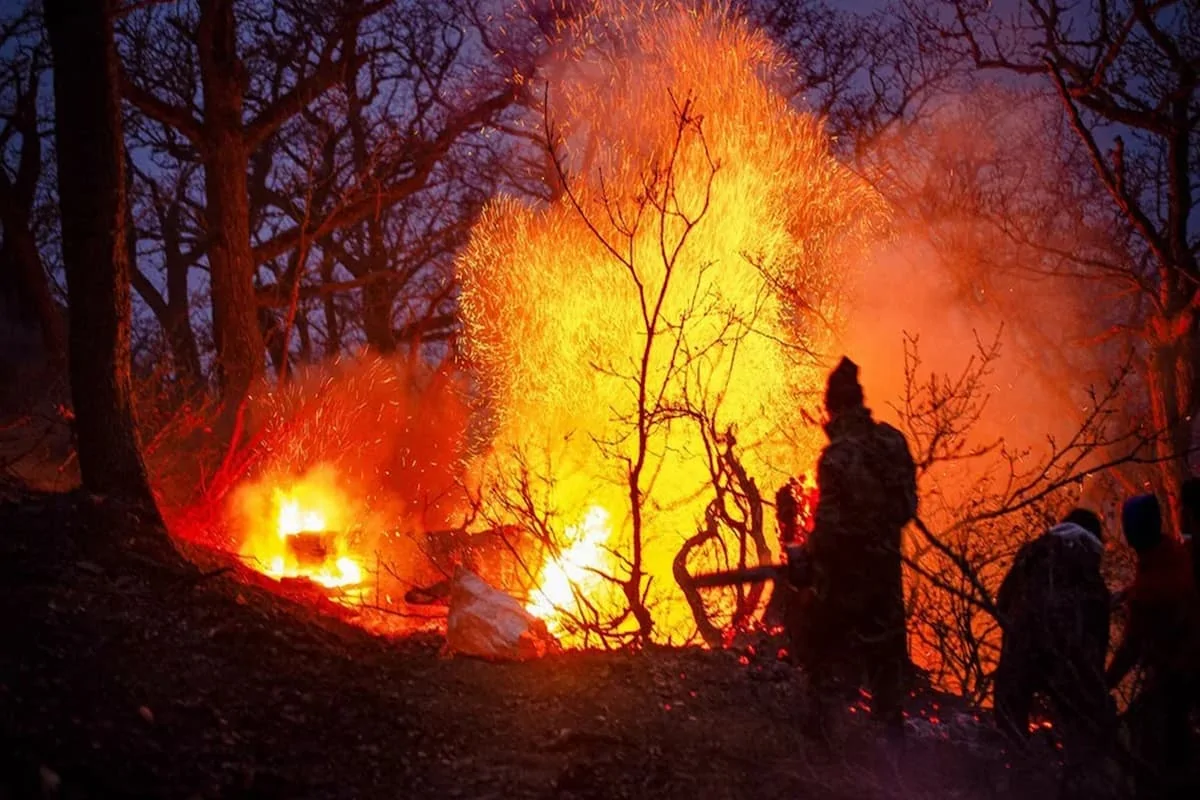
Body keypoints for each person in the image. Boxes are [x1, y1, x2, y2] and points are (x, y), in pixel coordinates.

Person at [804, 357, 917, 740]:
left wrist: (808, 554)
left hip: (845, 582)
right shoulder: (892, 442)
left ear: (833, 408)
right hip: (886, 578)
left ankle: (823, 748)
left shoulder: (837, 457)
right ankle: (892, 755)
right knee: (886, 669)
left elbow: (829, 529)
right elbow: (906, 508)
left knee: (825, 657)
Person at [993, 508, 1113, 799]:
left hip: (1020, 654)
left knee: (1010, 715)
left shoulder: (1031, 555)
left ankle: (1013, 778)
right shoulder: (1089, 574)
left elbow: (1002, 601)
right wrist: (1096, 685)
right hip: (1066, 660)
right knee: (1086, 729)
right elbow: (1097, 634)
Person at [1108, 493, 1199, 797]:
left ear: (1131, 533)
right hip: (1188, 664)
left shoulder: (1149, 593)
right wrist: (1125, 593)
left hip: (1177, 677)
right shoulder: (1174, 551)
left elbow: (1130, 649)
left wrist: (1103, 683)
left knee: (1154, 748)